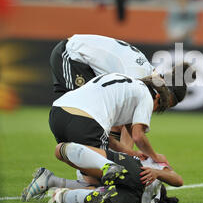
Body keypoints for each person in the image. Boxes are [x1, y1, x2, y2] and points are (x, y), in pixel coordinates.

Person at [49, 34, 191, 147]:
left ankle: (92, 163)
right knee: (82, 114)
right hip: (71, 55)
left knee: (96, 119)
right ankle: (88, 165)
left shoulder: (147, 76)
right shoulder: (137, 76)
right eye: (162, 103)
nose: (157, 108)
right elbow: (129, 127)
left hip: (83, 61)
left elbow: (127, 124)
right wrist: (127, 160)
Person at [48, 72, 177, 165]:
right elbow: (138, 136)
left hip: (57, 113)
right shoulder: (147, 96)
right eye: (155, 108)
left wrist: (131, 152)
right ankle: (56, 183)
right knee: (110, 176)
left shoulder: (124, 86)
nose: (150, 112)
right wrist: (154, 156)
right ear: (158, 97)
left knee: (84, 165)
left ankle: (52, 181)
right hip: (85, 120)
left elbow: (107, 139)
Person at [21, 142, 183, 203]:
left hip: (134, 196)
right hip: (133, 178)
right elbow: (177, 180)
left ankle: (56, 189)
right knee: (105, 180)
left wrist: (156, 172)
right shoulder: (150, 160)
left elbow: (177, 180)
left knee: (96, 194)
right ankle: (61, 194)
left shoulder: (154, 161)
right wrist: (156, 172)